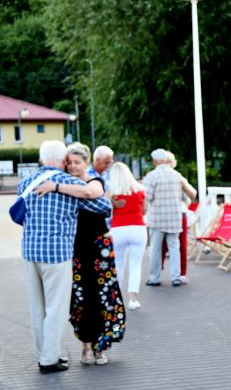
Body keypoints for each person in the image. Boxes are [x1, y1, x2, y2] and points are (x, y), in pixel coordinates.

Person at [21, 140, 111, 374]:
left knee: (37, 308)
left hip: (29, 251)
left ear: (42, 159)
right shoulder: (70, 183)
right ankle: (49, 359)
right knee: (56, 308)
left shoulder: (26, 183)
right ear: (62, 160)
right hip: (56, 253)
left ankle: (44, 353)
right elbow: (104, 206)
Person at [37, 142, 126, 365]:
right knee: (80, 296)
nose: (73, 166)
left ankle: (100, 348)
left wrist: (54, 187)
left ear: (86, 163)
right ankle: (86, 346)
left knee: (102, 294)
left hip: (99, 246)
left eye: (78, 162)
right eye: (69, 162)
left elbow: (91, 192)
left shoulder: (92, 181)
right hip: (76, 246)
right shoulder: (66, 182)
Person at [144, 148, 196, 287]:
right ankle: (176, 277)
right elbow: (190, 195)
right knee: (174, 248)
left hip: (157, 219)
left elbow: (148, 197)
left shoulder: (151, 176)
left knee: (155, 249)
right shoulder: (177, 175)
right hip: (175, 218)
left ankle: (154, 278)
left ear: (155, 161)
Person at [109, 162, 147, 310]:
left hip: (117, 229)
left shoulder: (111, 193)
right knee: (135, 265)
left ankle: (115, 300)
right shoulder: (140, 190)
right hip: (137, 228)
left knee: (117, 264)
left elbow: (106, 212)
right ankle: (133, 299)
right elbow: (143, 211)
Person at [160, 151, 196, 284]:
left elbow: (191, 195)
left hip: (179, 213)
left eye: (170, 161)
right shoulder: (156, 177)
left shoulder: (179, 177)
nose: (168, 163)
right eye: (166, 161)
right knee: (160, 244)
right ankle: (157, 270)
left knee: (181, 244)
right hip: (162, 214)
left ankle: (181, 273)